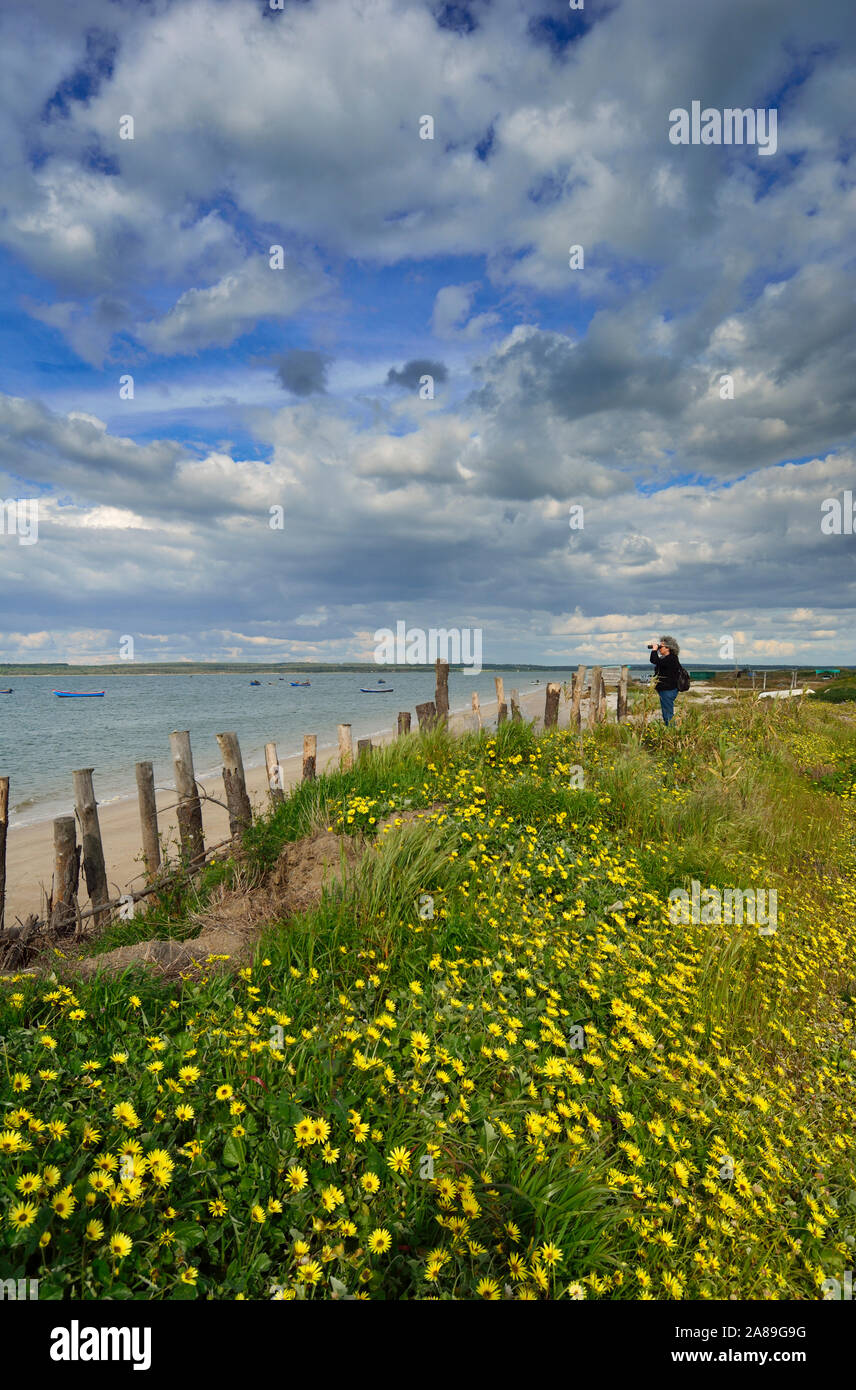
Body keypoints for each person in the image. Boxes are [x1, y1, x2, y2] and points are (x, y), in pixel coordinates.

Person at [648, 635, 681, 725]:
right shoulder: (667, 658)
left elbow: (654, 660)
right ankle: (670, 731)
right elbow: (657, 661)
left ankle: (671, 733)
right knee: (666, 713)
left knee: (667, 714)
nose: (659, 649)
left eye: (661, 647)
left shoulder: (671, 658)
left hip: (668, 690)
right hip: (666, 689)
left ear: (668, 648)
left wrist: (654, 649)